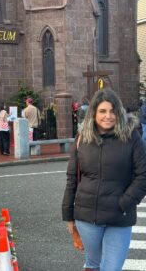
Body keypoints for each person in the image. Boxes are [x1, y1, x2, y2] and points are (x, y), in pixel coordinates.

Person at [62, 88, 146, 271]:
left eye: (112, 111)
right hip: (87, 217)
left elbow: (143, 175)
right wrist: (68, 216)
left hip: (119, 216)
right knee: (93, 264)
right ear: (94, 112)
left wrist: (124, 202)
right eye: (102, 111)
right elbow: (72, 179)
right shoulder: (82, 137)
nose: (108, 116)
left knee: (111, 267)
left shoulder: (131, 136)